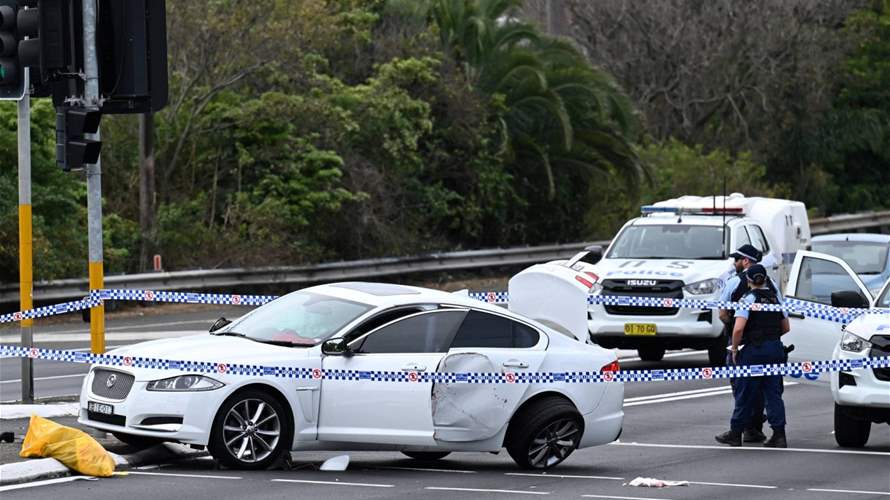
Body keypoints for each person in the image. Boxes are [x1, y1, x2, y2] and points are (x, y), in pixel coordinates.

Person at [715, 264, 790, 448]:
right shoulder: (775, 300)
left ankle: (736, 433)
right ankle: (779, 435)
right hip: (774, 350)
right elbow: (786, 327)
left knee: (745, 393)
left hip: (753, 351)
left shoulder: (747, 299)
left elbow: (739, 328)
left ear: (748, 280)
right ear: (765, 279)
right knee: (773, 394)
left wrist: (734, 349)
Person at [718, 244, 771, 443]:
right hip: (768, 342)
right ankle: (755, 426)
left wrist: (735, 330)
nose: (735, 263)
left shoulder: (734, 282)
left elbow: (722, 313)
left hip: (741, 342)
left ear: (746, 261)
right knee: (762, 386)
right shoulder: (771, 285)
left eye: (737, 259)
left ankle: (743, 427)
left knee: (741, 385)